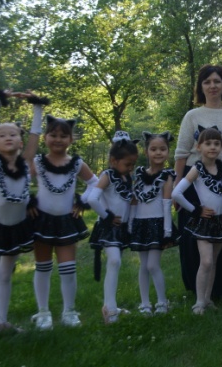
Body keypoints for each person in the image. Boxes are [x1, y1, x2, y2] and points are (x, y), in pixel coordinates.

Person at [0, 88, 45, 349]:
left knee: (5, 276)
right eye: (1, 135)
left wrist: (37, 106)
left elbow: (36, 133)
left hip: (16, 228)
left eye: (13, 134)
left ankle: (1, 322)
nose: (8, 137)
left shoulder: (25, 163)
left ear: (20, 141)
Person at [173, 64, 222, 299]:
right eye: (207, 82)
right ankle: (195, 290)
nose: (212, 86)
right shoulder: (192, 116)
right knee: (194, 237)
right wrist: (177, 184)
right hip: (193, 181)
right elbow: (181, 153)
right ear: (201, 87)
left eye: (217, 81)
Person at [28, 115, 97, 330]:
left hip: (66, 222)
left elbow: (94, 183)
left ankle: (69, 311)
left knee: (68, 268)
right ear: (45, 137)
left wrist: (82, 201)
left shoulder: (76, 163)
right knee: (43, 267)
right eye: (53, 135)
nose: (58, 139)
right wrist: (28, 201)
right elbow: (20, 180)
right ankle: (43, 312)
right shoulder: (38, 162)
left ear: (71, 139)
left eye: (63, 136)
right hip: (41, 221)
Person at [172, 127, 222, 315]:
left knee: (214, 261)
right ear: (198, 147)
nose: (213, 147)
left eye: (217, 143)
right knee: (206, 261)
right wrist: (196, 209)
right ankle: (199, 302)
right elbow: (177, 193)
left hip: (221, 221)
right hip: (205, 223)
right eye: (208, 143)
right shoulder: (197, 169)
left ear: (221, 147)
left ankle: (208, 299)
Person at [87, 131, 138, 324]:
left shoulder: (126, 178)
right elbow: (92, 199)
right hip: (109, 228)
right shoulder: (107, 176)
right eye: (127, 164)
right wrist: (107, 216)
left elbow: (128, 201)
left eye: (133, 164)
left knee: (115, 264)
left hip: (122, 228)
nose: (130, 168)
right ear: (113, 161)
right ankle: (110, 309)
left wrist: (131, 221)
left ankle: (111, 306)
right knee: (114, 261)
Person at [129, 132, 178, 316]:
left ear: (168, 152)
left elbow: (166, 203)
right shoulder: (139, 174)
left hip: (158, 224)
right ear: (146, 151)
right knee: (143, 266)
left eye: (163, 149)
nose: (158, 153)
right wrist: (130, 223)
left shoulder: (167, 175)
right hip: (140, 223)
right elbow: (134, 200)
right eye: (154, 149)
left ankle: (162, 302)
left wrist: (167, 228)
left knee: (152, 265)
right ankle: (145, 303)